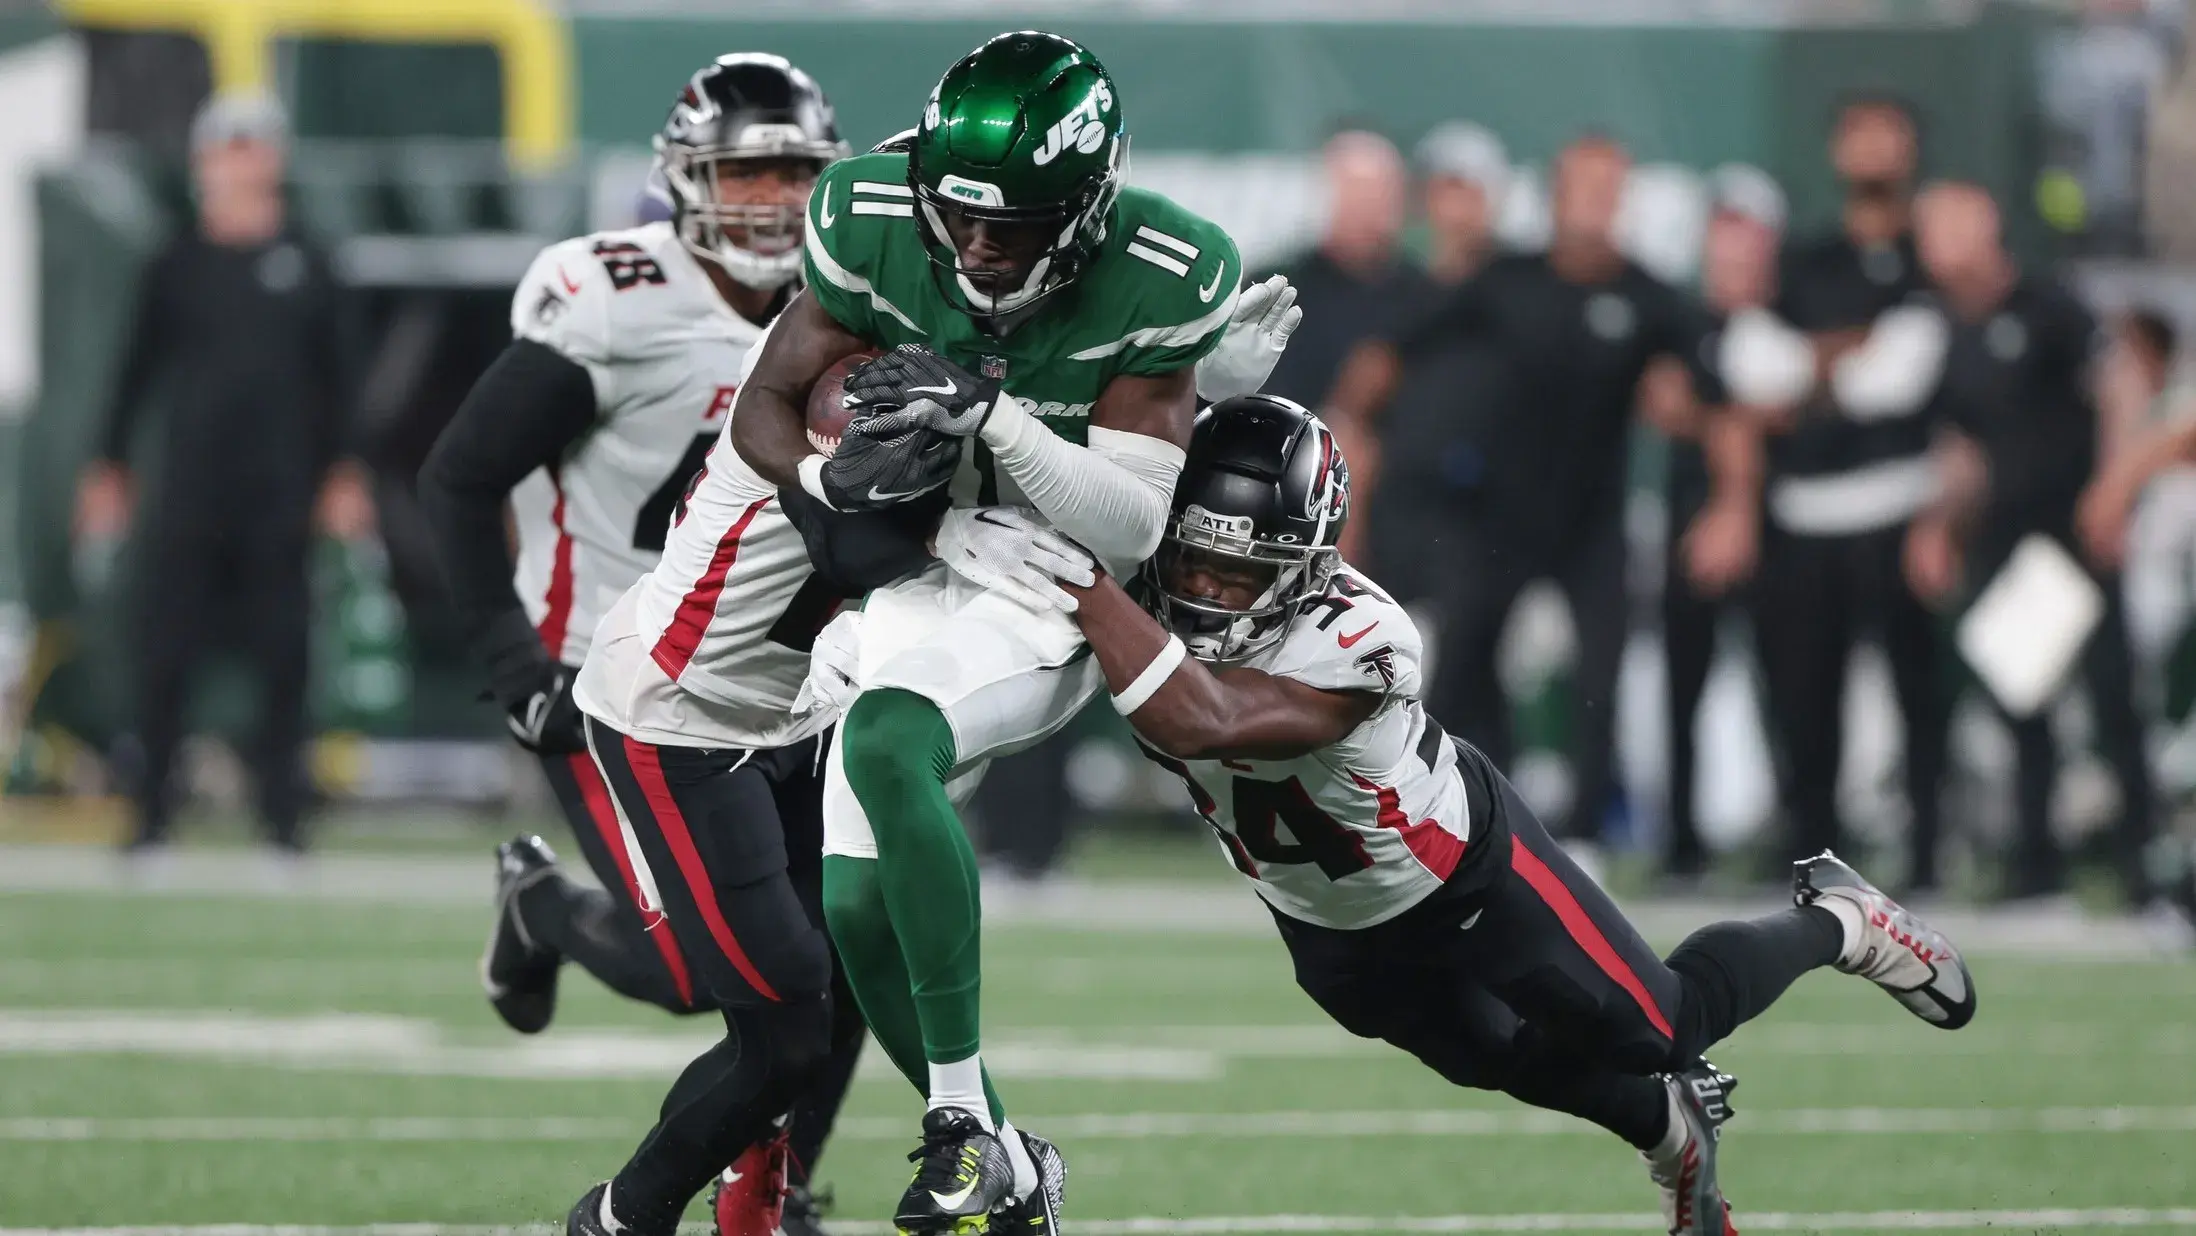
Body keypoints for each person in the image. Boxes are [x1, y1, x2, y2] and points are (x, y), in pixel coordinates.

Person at [569, 34, 1296, 1236]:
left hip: (1030, 592)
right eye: (951, 219)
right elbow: (813, 463)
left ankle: (959, 1126)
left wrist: (1066, 411)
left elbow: (1118, 521)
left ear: (1086, 207)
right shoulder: (867, 240)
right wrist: (921, 500)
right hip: (840, 621)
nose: (972, 251)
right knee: (852, 926)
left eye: (1007, 227)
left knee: (880, 770)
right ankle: (995, 1158)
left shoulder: (1154, 270)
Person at [1025, 393, 1975, 1236]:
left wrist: (1077, 580)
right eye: (1191, 560)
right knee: (1499, 1057)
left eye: (1238, 572)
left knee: (1659, 1029)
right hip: (1324, 925)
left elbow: (1208, 719)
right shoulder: (1144, 577)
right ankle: (1669, 1132)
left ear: (1308, 563)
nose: (1204, 591)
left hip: (1467, 872)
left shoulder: (1362, 637)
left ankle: (1842, 923)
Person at [415, 55, 866, 1236]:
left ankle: (780, 1188)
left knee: (853, 935)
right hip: (622, 684)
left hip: (786, 676)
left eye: (792, 175)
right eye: (746, 173)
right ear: (687, 180)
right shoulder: (616, 298)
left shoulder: (850, 306)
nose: (770, 200)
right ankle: (545, 909)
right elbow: (461, 480)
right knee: (694, 974)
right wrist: (518, 675)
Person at [1333, 133, 1728, 851]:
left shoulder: (1649, 297)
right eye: (1584, 187)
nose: (1597, 204)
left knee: (1601, 678)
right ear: (1555, 195)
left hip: (1594, 520)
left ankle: (1581, 837)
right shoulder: (1507, 280)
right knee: (1462, 666)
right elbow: (1390, 351)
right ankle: (1429, 814)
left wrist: (1689, 418)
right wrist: (1354, 421)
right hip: (1503, 514)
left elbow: (1712, 398)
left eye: (1610, 189)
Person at [74, 92, 368, 857]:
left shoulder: (308, 260)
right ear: (206, 160)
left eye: (253, 146)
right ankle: (151, 822)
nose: (240, 162)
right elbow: (133, 372)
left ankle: (283, 822)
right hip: (192, 489)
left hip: (280, 491)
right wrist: (108, 468)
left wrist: (342, 473)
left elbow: (339, 380)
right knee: (166, 652)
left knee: (284, 655)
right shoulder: (176, 260)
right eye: (227, 147)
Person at [1723, 95, 1955, 886]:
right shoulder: (1806, 259)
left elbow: (1909, 373)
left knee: (1918, 696)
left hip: (1901, 505)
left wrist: (1817, 363)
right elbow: (1756, 367)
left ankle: (1927, 854)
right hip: (1804, 510)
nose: (1873, 150)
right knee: (1800, 696)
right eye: (1858, 134)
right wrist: (1851, 355)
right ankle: (1812, 853)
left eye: (1888, 133)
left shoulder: (1932, 260)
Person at [1908, 181, 2155, 904]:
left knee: (2113, 699)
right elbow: (1962, 447)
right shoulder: (1948, 327)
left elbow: (2124, 385)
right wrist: (1937, 526)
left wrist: (2113, 492)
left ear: (1984, 226)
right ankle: (2036, 865)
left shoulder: (2049, 304)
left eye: (1947, 226)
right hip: (2004, 538)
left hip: (2074, 532)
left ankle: (2145, 864)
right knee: (2022, 705)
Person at [1647, 166, 1786, 878]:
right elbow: (1665, 402)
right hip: (1687, 522)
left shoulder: (1789, 320)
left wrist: (1736, 503)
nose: (1734, 250)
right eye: (1723, 234)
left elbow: (1758, 418)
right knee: (1683, 685)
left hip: (1783, 533)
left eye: (1747, 236)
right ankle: (1682, 842)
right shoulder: (1680, 321)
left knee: (1788, 686)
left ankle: (1799, 836)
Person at [1352, 121, 1512, 611]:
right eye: (1443, 191)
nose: (1455, 208)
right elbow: (1357, 404)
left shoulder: (1522, 292)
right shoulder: (1398, 293)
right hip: (1403, 508)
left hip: (1496, 513)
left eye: (1466, 191)